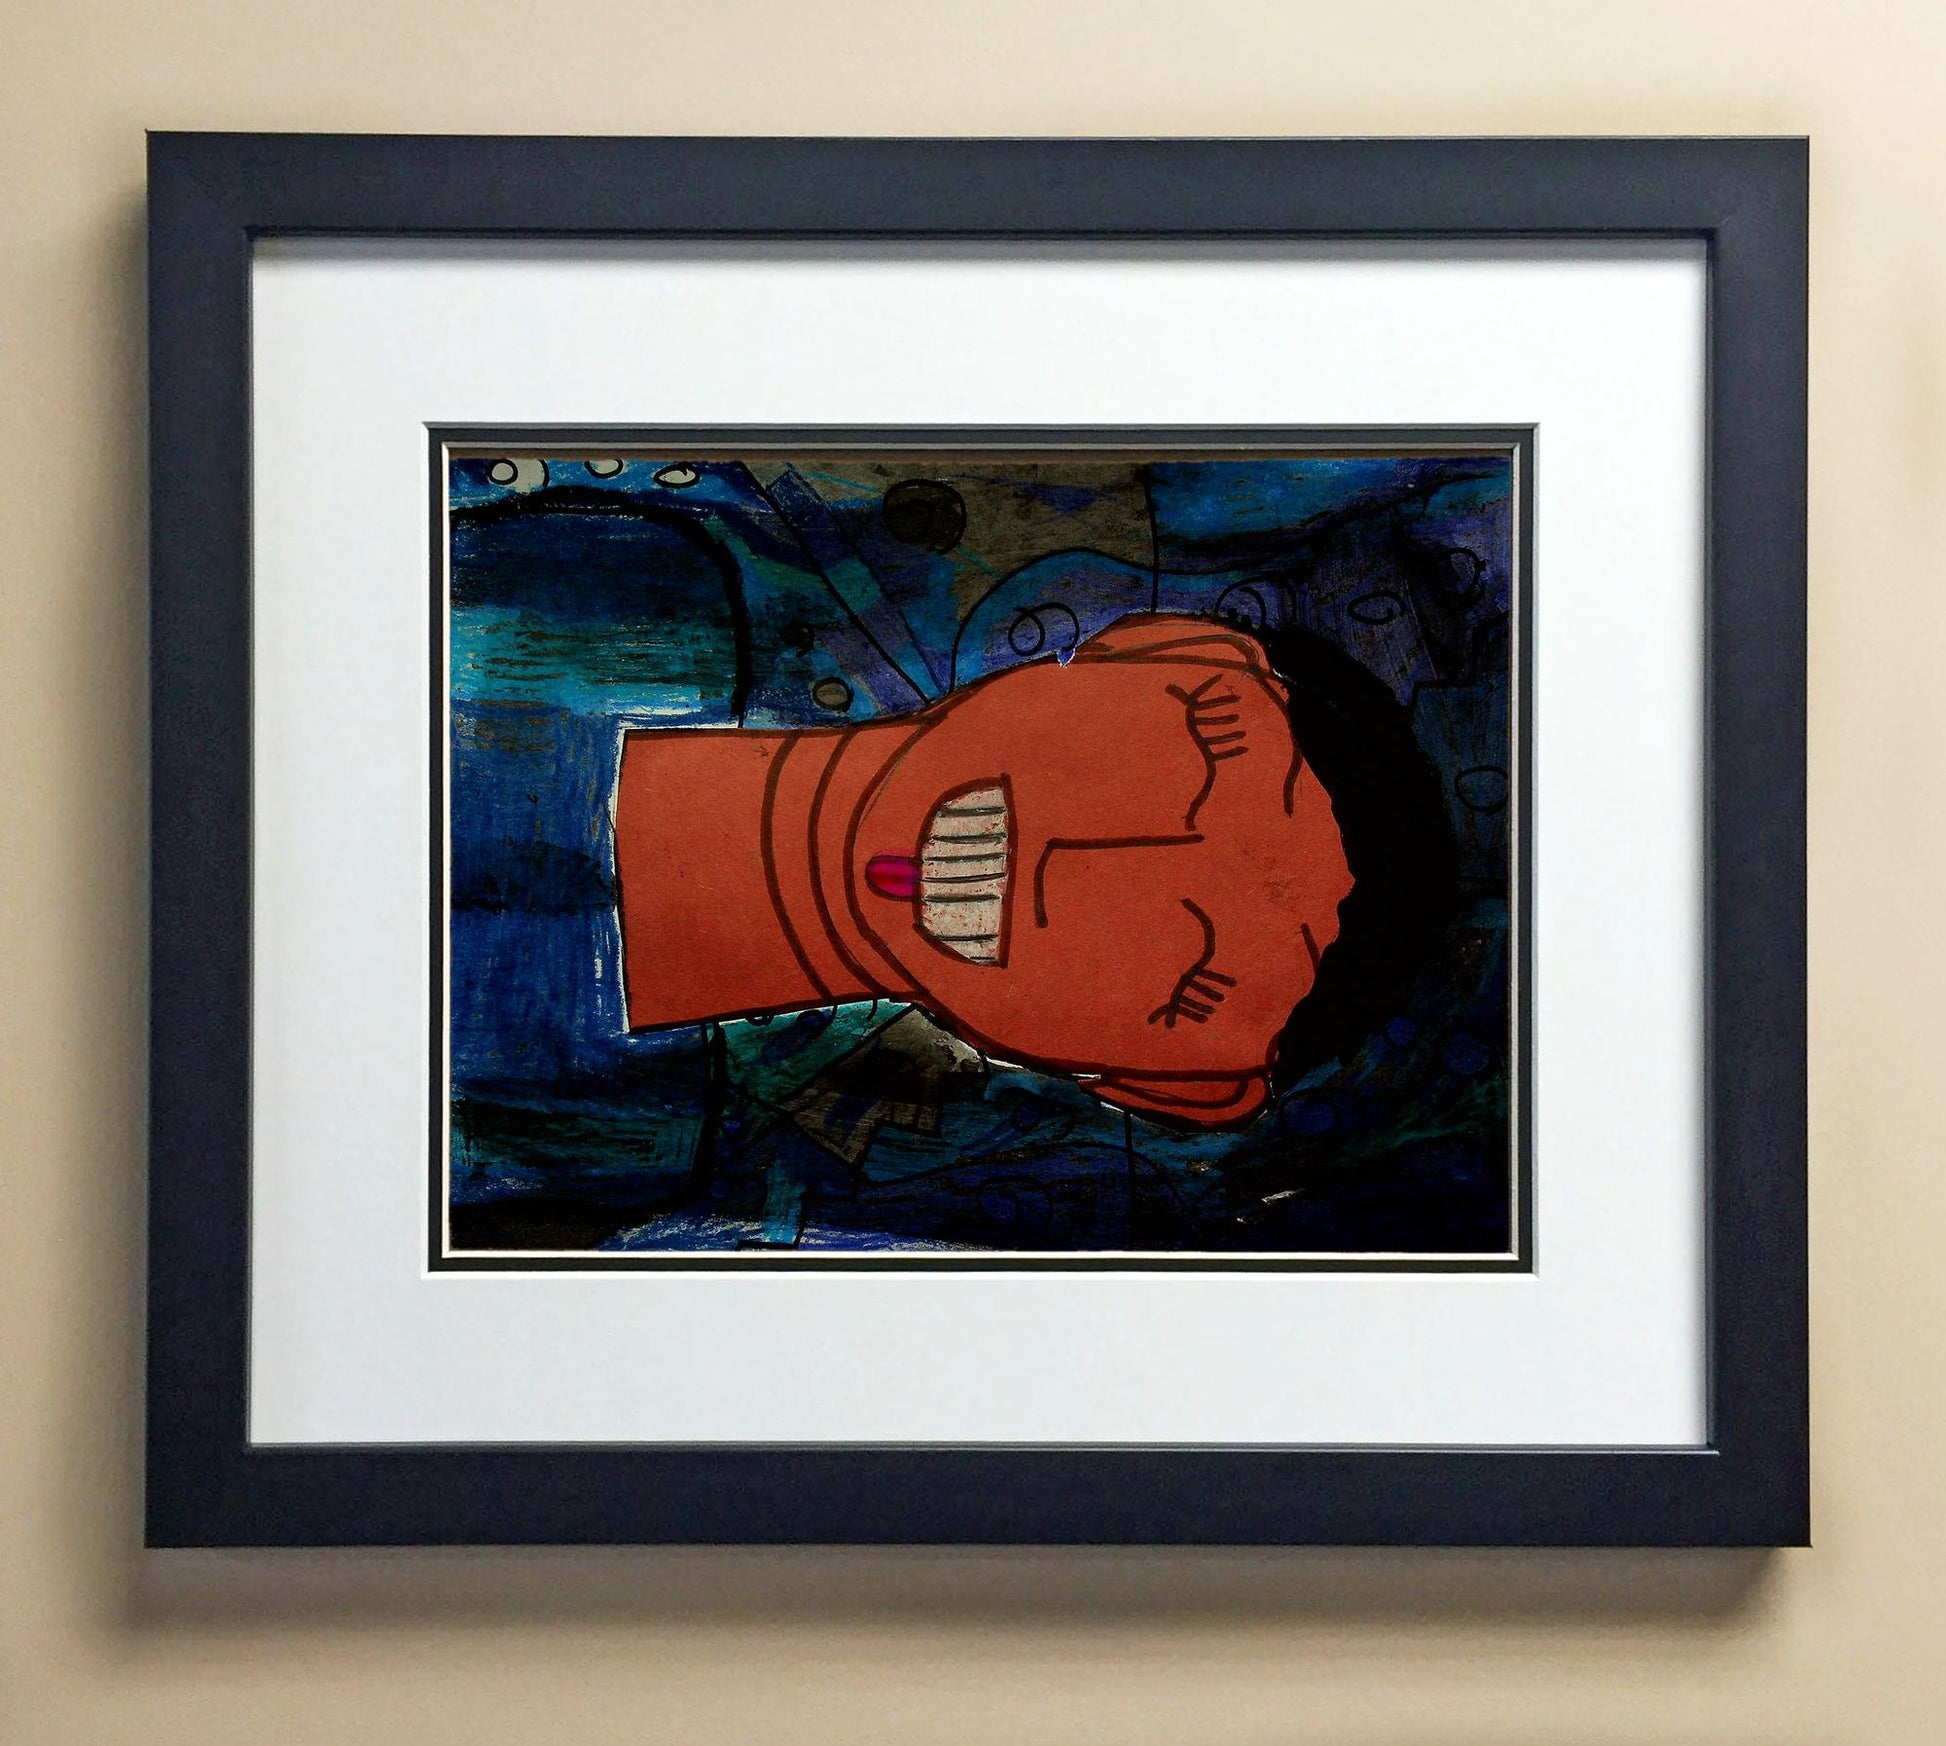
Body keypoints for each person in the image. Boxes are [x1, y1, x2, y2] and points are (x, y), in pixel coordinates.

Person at [613, 612, 1456, 1130]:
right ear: (1170, 643)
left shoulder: (613, 1141)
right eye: (1212, 744)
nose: (1067, 869)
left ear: (1175, 1091)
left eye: (1196, 981)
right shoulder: (613, 609)